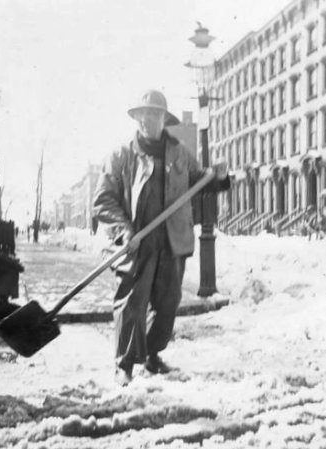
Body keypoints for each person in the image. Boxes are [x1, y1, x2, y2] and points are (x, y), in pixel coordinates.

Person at [93, 89, 230, 386]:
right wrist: (123, 229)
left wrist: (218, 177)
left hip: (172, 240)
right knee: (132, 303)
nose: (149, 120)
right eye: (144, 114)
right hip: (137, 242)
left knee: (167, 303)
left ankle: (153, 355)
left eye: (155, 114)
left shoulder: (179, 152)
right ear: (137, 117)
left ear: (164, 119)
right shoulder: (122, 155)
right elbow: (103, 200)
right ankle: (125, 365)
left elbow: (200, 181)